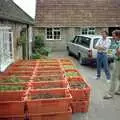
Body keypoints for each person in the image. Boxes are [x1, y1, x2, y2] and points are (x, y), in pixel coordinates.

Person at [104, 30, 120, 99]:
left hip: (118, 61)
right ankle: (119, 91)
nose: (113, 38)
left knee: (114, 77)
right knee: (119, 77)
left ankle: (110, 94)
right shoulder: (117, 42)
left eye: (114, 36)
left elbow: (118, 53)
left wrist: (113, 54)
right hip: (118, 60)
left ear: (118, 36)